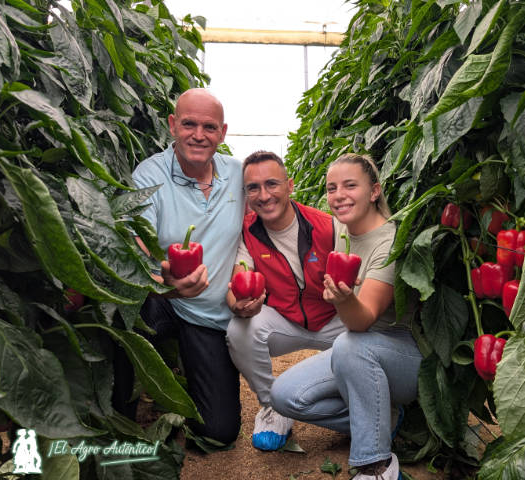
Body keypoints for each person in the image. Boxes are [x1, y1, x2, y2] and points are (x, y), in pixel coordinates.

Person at [270, 153, 422, 480]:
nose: (339, 195)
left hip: (405, 355)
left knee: (349, 343)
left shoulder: (390, 242)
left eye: (350, 186)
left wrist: (344, 299)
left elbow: (362, 321)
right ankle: (386, 419)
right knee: (284, 396)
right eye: (332, 188)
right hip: (360, 350)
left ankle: (377, 465)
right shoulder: (342, 231)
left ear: (374, 191)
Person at [115, 88, 245, 446]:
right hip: (161, 300)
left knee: (219, 431)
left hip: (210, 315)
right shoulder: (150, 175)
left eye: (209, 127)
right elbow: (138, 247)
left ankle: (188, 380)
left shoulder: (238, 174)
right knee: (125, 313)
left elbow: (267, 218)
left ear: (223, 133)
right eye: (189, 124)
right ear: (173, 125)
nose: (199, 135)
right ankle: (121, 412)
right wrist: (165, 281)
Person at [225, 151, 346, 451]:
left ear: (289, 185)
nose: (264, 195)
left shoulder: (327, 227)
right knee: (240, 329)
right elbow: (239, 275)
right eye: (253, 188)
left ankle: (359, 399)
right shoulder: (247, 231)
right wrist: (237, 303)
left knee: (368, 340)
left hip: (334, 320)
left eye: (272, 184)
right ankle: (273, 406)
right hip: (286, 321)